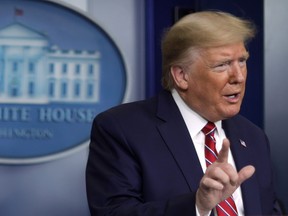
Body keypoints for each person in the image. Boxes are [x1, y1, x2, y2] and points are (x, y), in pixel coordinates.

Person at [86, 11, 283, 215]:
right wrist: (198, 206)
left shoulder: (253, 136)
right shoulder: (122, 129)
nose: (239, 77)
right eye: (222, 65)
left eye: (242, 61)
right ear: (181, 76)